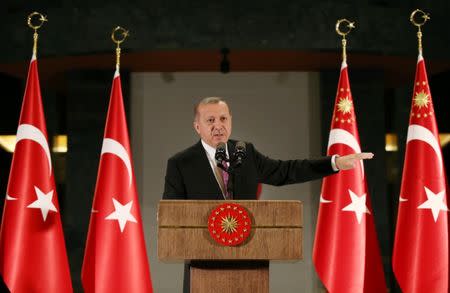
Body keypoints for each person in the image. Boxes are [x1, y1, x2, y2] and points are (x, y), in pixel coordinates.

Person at [162, 97, 373, 292]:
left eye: (223, 118)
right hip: (202, 266)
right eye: (210, 120)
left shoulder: (245, 153)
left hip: (249, 262)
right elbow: (172, 215)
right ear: (197, 127)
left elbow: (285, 171)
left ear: (231, 121)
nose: (218, 125)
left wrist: (334, 162)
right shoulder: (181, 163)